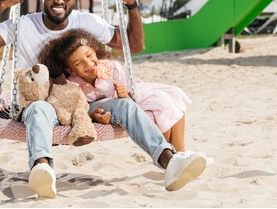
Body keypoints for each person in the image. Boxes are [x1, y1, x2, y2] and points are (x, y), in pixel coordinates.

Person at [0, 0, 206, 198]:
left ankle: (170, 162)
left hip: (83, 102)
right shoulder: (22, 24)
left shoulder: (88, 22)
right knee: (38, 109)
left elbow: (135, 46)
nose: (59, 1)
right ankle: (42, 169)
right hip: (43, 104)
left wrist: (131, 4)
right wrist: (3, 3)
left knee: (127, 107)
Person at [38, 28, 193, 153]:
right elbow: (77, 110)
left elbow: (130, 94)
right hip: (113, 106)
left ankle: (180, 151)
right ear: (70, 70)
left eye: (89, 55)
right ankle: (172, 154)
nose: (88, 64)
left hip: (131, 95)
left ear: (93, 50)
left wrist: (124, 94)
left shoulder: (112, 69)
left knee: (174, 95)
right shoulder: (74, 86)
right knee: (162, 102)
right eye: (78, 63)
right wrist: (93, 115)